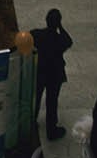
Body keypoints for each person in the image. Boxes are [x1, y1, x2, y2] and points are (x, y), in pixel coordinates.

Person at [31, 8, 73, 140]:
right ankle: (51, 130)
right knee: (52, 101)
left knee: (36, 98)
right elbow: (69, 41)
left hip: (40, 72)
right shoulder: (59, 39)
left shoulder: (38, 34)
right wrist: (60, 26)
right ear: (58, 23)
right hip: (54, 75)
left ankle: (31, 122)